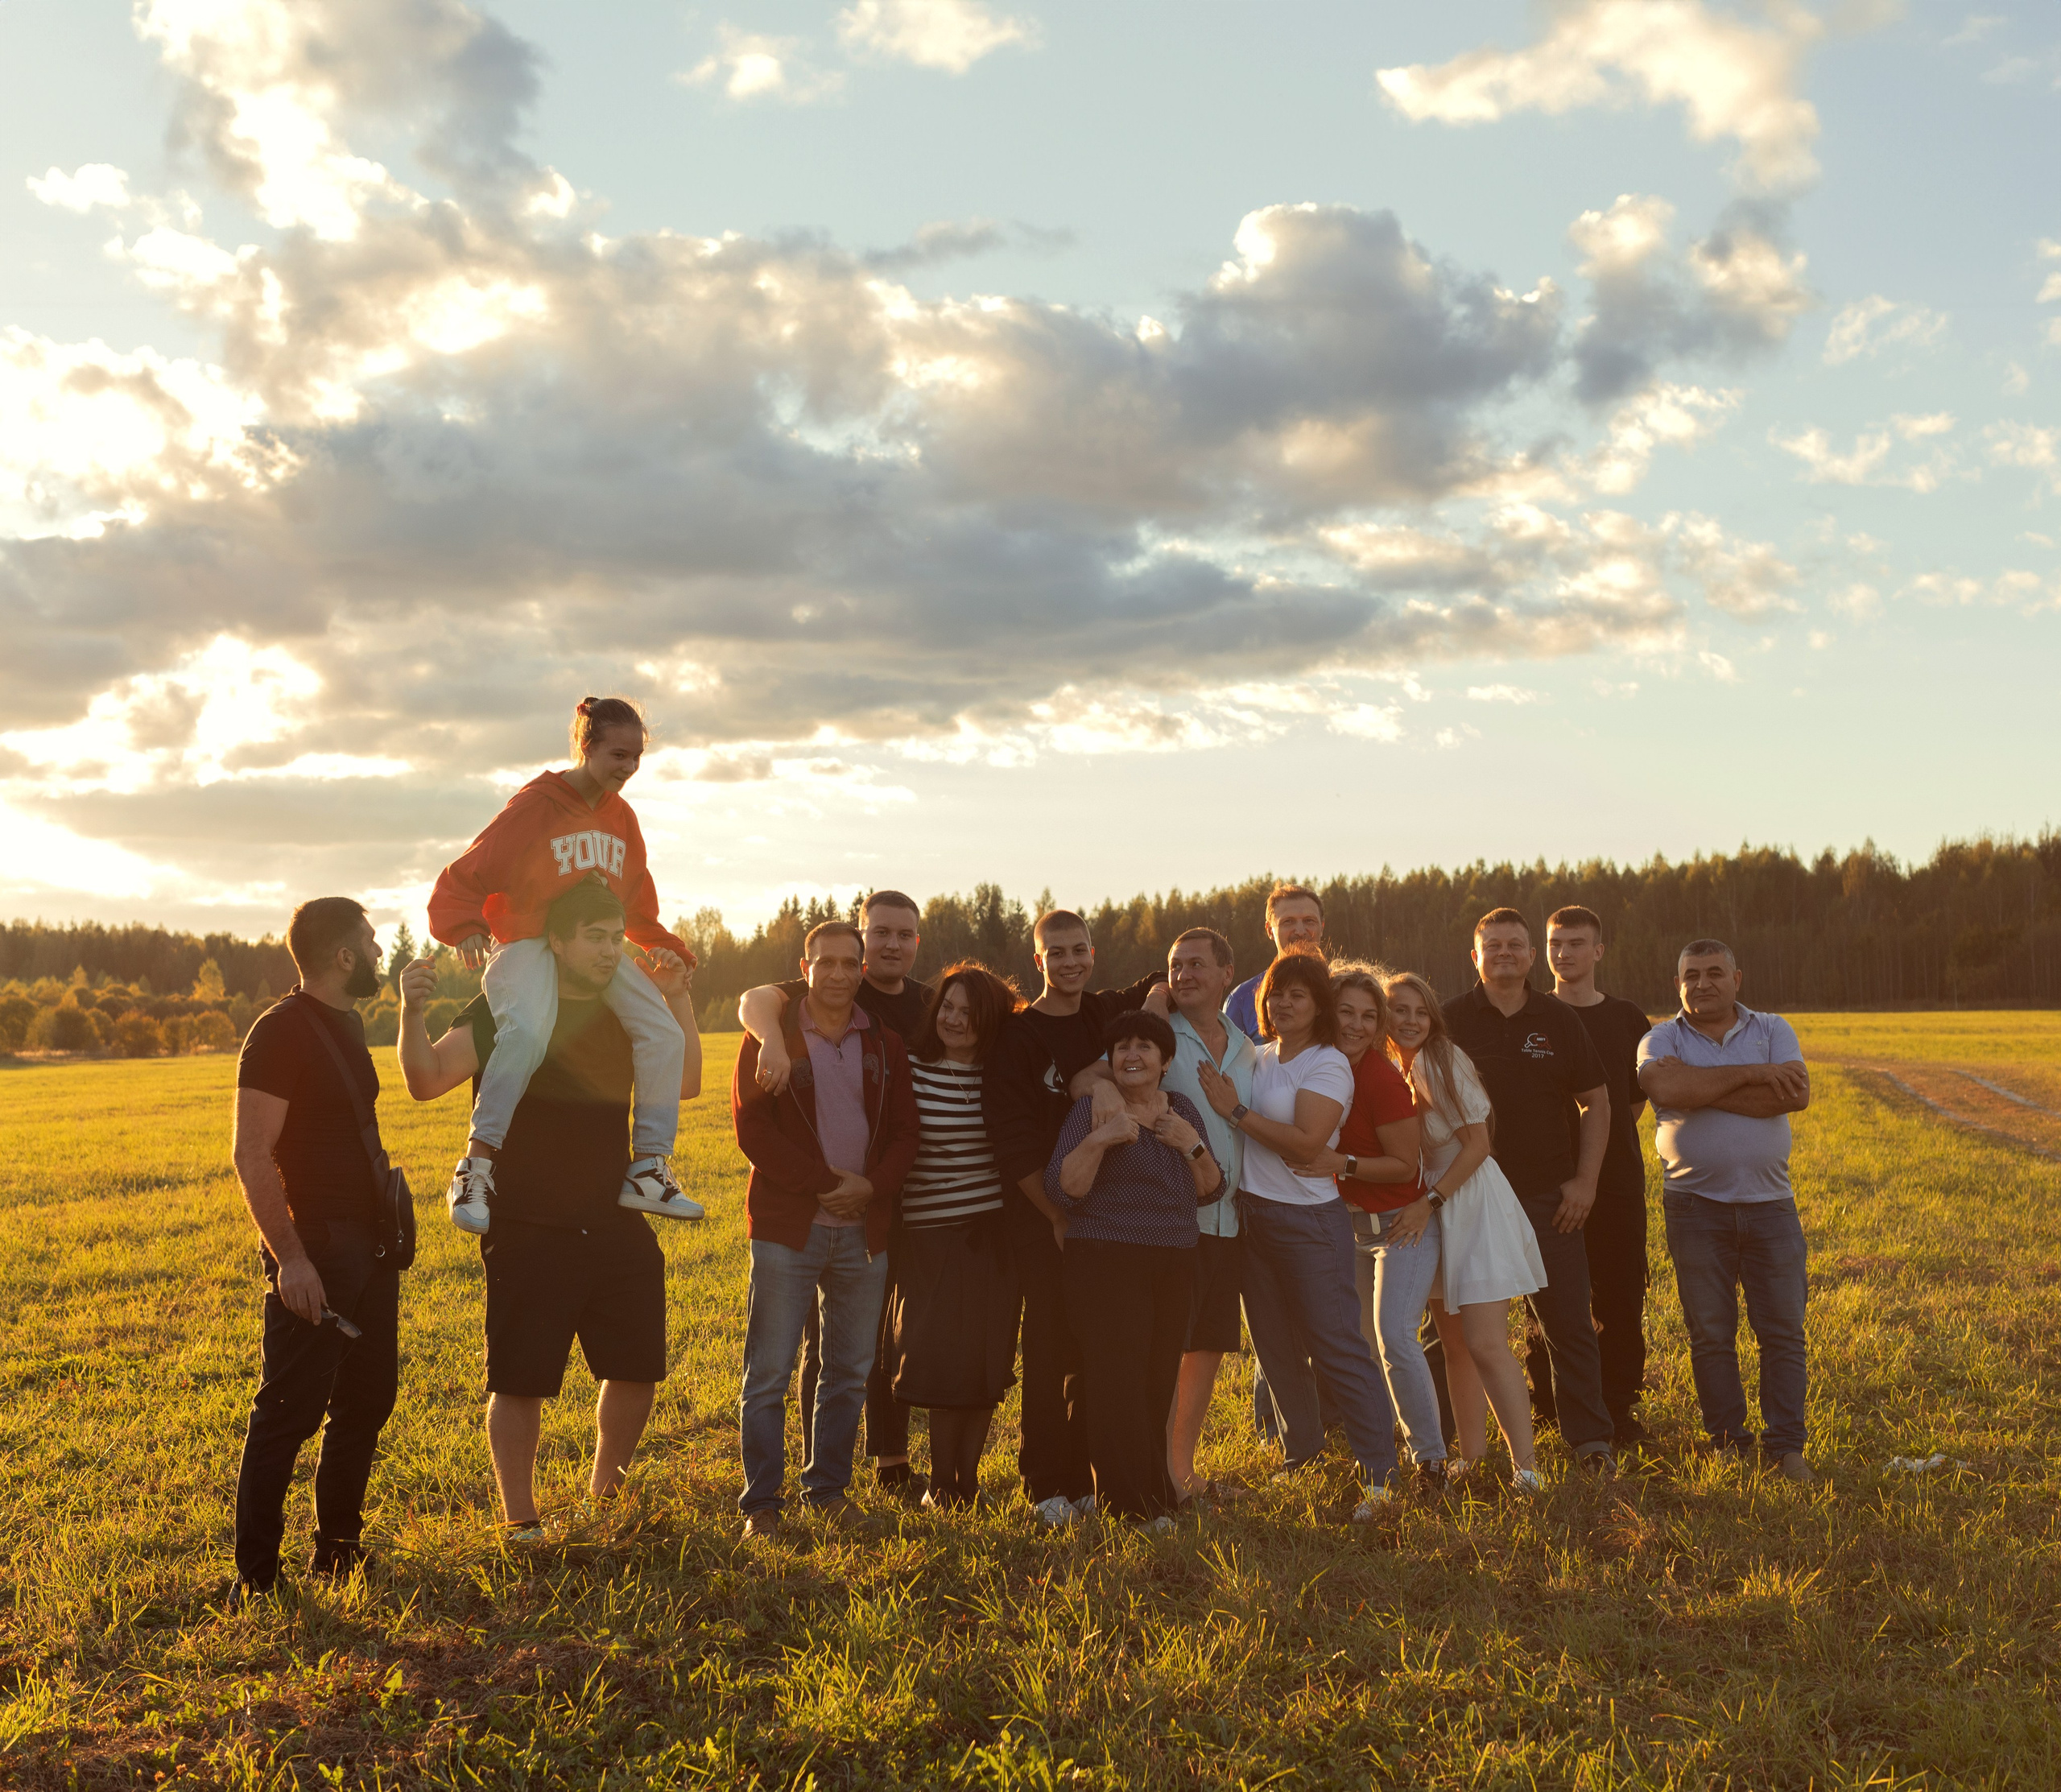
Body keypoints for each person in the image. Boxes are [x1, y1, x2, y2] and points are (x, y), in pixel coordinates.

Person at [395, 881, 703, 1534]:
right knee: (521, 1379)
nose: (608, 950)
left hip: (616, 1212)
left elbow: (687, 1081)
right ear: (555, 941)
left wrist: (676, 999)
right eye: (594, 937)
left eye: (616, 937)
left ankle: (606, 1501)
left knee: (636, 1367)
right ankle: (521, 1521)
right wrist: (409, 1015)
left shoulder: (627, 1012)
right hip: (528, 1219)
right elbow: (425, 1081)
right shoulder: (506, 1006)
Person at [427, 695, 699, 1233]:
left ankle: (648, 1167)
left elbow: (635, 902)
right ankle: (476, 1168)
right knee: (526, 1032)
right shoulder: (537, 806)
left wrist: (661, 944)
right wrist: (465, 929)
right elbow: (467, 874)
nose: (628, 769)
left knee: (662, 1033)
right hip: (529, 940)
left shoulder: (623, 819)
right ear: (586, 746)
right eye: (618, 755)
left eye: (636, 758)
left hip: (593, 943)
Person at [227, 898, 401, 1603]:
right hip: (319, 1251)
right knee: (289, 1414)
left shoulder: (348, 1023)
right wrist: (290, 1260)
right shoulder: (280, 1032)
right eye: (371, 941)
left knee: (367, 1400)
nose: (380, 952)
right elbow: (250, 1153)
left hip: (371, 1248)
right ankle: (256, 1579)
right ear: (343, 956)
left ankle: (338, 1551)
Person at [737, 890, 933, 1498]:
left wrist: (871, 1188)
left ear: (863, 968)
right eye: (827, 963)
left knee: (849, 1374)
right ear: (805, 968)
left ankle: (827, 1493)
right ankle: (762, 1502)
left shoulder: (885, 1043)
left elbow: (907, 1131)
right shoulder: (773, 1035)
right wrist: (828, 1185)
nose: (840, 975)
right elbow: (753, 1131)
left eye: (851, 965)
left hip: (863, 1233)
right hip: (787, 1229)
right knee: (769, 1374)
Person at [1196, 949, 1400, 1520]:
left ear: (1319, 1008)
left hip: (1309, 1223)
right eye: (1277, 994)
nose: (1284, 1003)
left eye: (1298, 995)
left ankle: (1381, 1475)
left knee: (1336, 1346)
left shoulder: (1328, 1064)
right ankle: (1302, 1455)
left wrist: (1235, 1113)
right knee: (1275, 1349)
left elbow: (1309, 1143)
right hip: (1252, 1218)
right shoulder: (1257, 1057)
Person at [982, 909, 1167, 1525]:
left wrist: (1104, 1074)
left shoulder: (1103, 1013)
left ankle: (1089, 1473)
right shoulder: (1018, 1036)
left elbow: (1161, 980)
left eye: (1078, 951)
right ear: (1038, 961)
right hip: (1043, 1213)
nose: (1068, 963)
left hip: (1106, 1221)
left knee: (1099, 1347)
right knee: (1047, 1344)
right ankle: (1046, 1483)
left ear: (1093, 953)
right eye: (1055, 953)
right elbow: (1009, 1140)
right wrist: (1054, 1216)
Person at [1440, 908, 1617, 1474]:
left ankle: (1590, 1442)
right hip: (1470, 1199)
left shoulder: (1559, 1020)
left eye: (1516, 944)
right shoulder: (1450, 1020)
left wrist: (1585, 1182)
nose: (1505, 953)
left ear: (1531, 955)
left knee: (1568, 1324)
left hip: (1548, 1198)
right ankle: (1446, 1445)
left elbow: (1598, 1101)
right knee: (1451, 1328)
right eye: (1493, 945)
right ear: (1475, 956)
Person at [1638, 939, 1814, 1483]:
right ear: (1678, 984)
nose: (1703, 983)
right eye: (1692, 975)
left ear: (1738, 978)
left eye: (1715, 973)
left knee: (1782, 1332)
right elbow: (1663, 1084)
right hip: (1694, 1208)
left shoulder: (1772, 1028)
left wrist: (1698, 1088)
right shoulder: (1660, 1038)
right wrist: (1757, 1074)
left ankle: (1786, 1449)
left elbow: (1796, 1094)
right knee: (1710, 1333)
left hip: (1770, 1207)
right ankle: (1728, 1444)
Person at [1047, 1013, 1224, 1526]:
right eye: (1122, 1047)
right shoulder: (1092, 1111)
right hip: (1105, 1258)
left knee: (1156, 1378)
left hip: (1173, 1261)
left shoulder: (1183, 1109)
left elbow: (1212, 1187)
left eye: (1145, 1047)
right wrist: (1105, 1139)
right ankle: (1129, 1508)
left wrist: (1189, 1143)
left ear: (1165, 1061)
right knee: (1116, 1379)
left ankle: (1153, 1496)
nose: (1132, 1055)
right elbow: (1067, 1189)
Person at [1281, 964, 1442, 1489]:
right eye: (1346, 1012)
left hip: (1401, 1225)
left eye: (1368, 1017)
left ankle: (1431, 1459)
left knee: (1395, 1336)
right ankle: (1378, 1449)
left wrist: (1340, 1163)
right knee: (1357, 1347)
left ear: (1379, 1028)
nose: (1355, 1025)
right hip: (1346, 1230)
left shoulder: (1380, 1078)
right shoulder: (1320, 1066)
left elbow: (1404, 1165)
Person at [1386, 972, 1547, 1491]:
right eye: (1398, 1010)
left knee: (1484, 1342)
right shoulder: (1397, 1068)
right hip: (1436, 1206)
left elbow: (1478, 1144)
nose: (1410, 1020)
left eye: (1419, 1011)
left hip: (1469, 1201)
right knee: (1453, 1342)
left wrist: (1430, 1201)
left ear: (1433, 1017)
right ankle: (1472, 1459)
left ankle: (1527, 1469)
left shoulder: (1439, 1059)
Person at [881, 964, 1022, 1509]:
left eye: (968, 1011)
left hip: (995, 1237)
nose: (955, 1020)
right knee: (943, 1364)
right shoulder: (912, 1068)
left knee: (986, 1365)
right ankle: (941, 1485)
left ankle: (970, 1480)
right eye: (948, 1007)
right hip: (931, 1236)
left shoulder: (1001, 1070)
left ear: (989, 1020)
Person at [1547, 904, 1656, 1447]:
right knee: (1549, 1300)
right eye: (1556, 943)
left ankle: (1618, 1407)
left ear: (1598, 951)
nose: (1564, 953)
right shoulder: (1534, 1015)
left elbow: (1629, 1102)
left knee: (1619, 1298)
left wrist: (1596, 1157)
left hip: (1615, 1184)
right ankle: (1549, 1405)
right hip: (1545, 1183)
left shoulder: (1627, 1019)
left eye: (1575, 943)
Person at [1154, 929, 1256, 1502]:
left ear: (1226, 973)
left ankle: (1182, 1470)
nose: (1184, 974)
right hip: (1173, 1219)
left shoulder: (1247, 1047)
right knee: (1168, 1346)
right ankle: (1157, 1473)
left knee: (1208, 1346)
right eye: (1175, 965)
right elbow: (1101, 1079)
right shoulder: (1159, 1037)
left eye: (1197, 964)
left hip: (1230, 1222)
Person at [1227, 884, 1325, 1043]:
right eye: (1288, 922)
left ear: (1322, 927)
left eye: (1309, 921)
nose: (1300, 931)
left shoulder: (1341, 990)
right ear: (1270, 930)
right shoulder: (1241, 1000)